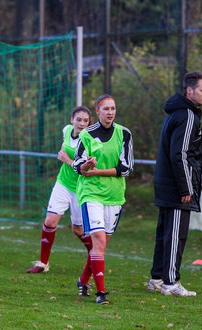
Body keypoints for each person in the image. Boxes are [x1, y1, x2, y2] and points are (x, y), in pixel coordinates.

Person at [147, 71, 202, 296]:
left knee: (164, 234)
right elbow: (180, 154)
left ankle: (156, 278)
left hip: (166, 182)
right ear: (189, 90)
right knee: (175, 235)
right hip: (176, 187)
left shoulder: (176, 113)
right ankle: (170, 283)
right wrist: (186, 187)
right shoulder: (187, 115)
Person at [73, 94, 134, 304]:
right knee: (98, 240)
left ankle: (83, 280)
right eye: (106, 109)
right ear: (97, 111)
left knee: (100, 246)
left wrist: (97, 171)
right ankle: (101, 293)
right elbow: (77, 165)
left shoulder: (124, 133)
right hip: (90, 193)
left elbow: (125, 168)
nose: (110, 112)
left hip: (115, 196)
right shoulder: (87, 134)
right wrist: (85, 166)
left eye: (113, 108)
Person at [27, 105, 93, 293]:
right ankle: (43, 263)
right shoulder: (66, 130)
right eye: (78, 119)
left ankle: (95, 254)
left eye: (85, 121)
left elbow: (86, 170)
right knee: (50, 220)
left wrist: (67, 160)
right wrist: (64, 157)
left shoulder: (88, 140)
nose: (81, 123)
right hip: (63, 184)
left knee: (78, 230)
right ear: (72, 120)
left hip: (81, 188)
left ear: (89, 123)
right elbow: (64, 149)